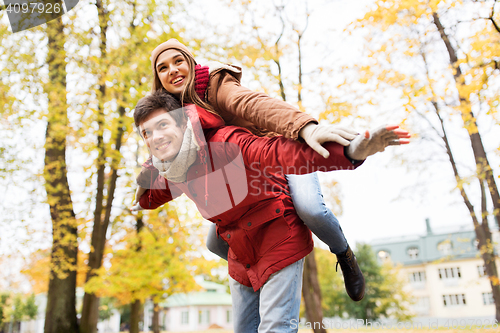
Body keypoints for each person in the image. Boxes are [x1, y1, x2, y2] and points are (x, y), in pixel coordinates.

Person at [134, 38, 411, 301]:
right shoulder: (170, 114)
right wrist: (147, 178)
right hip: (249, 181)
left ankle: (344, 254)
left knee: (310, 208)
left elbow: (253, 105)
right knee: (215, 244)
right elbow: (163, 153)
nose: (173, 70)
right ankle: (260, 274)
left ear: (191, 63)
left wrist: (305, 127)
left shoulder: (215, 85)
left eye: (178, 61)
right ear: (158, 80)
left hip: (278, 154)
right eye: (163, 68)